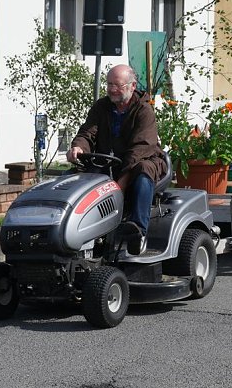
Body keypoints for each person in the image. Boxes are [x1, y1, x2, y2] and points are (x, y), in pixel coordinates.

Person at [67, 64, 166, 255]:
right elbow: (88, 132)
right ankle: (72, 227)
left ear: (132, 86)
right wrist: (78, 147)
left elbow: (140, 148)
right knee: (74, 176)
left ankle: (138, 231)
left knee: (143, 171)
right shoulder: (101, 107)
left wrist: (120, 184)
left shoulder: (144, 111)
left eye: (117, 85)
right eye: (109, 84)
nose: (112, 89)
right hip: (108, 162)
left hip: (140, 161)